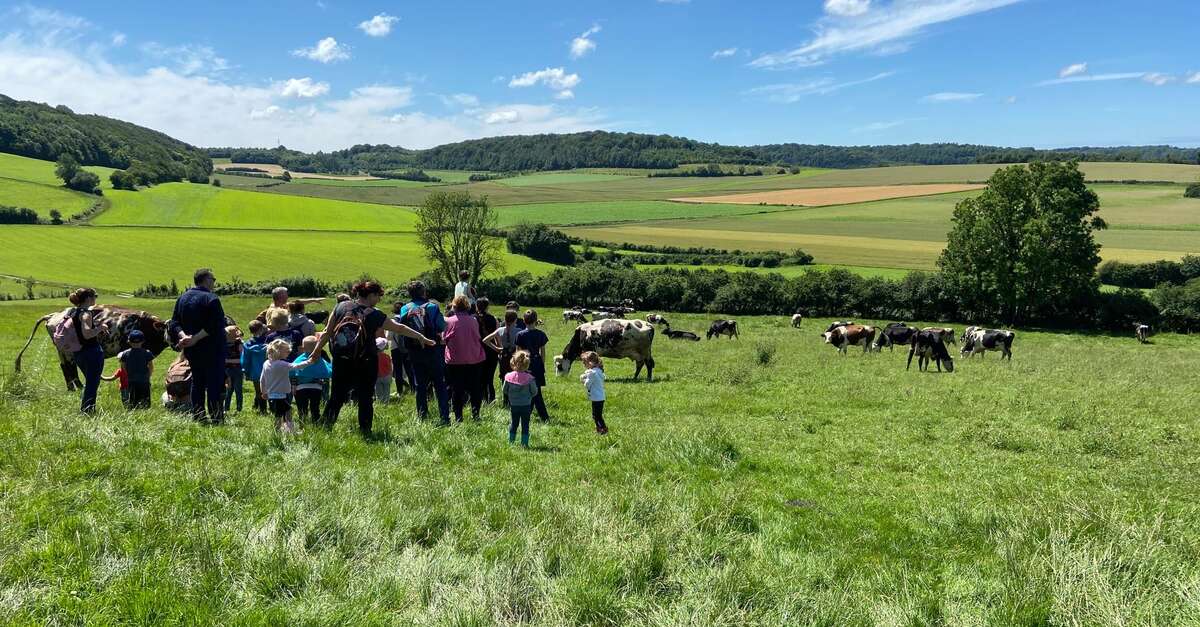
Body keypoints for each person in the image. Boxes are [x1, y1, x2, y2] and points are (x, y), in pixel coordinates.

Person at [303, 280, 434, 435]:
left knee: (337, 396)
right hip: (366, 361)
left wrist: (317, 350)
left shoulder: (341, 306)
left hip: (342, 359)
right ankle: (365, 431)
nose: (379, 300)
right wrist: (421, 337)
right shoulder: (374, 314)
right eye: (378, 296)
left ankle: (325, 428)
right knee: (365, 398)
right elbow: (399, 328)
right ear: (371, 295)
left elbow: (327, 332)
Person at [169, 269, 227, 424]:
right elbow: (216, 324)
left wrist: (183, 337)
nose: (214, 282)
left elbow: (174, 323)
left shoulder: (182, 298)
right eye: (213, 279)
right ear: (206, 280)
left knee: (197, 381)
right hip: (212, 348)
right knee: (214, 382)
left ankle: (198, 415)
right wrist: (195, 338)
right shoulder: (211, 298)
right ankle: (216, 417)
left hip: (192, 350)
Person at [398, 280, 451, 424]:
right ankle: (444, 417)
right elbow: (441, 326)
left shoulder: (405, 308)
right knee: (439, 384)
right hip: (432, 348)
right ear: (424, 292)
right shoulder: (432, 306)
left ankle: (422, 416)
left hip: (414, 351)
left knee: (420, 385)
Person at [66, 288, 109, 414]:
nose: (96, 298)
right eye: (95, 296)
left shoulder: (73, 312)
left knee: (90, 382)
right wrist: (101, 327)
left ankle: (86, 408)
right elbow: (87, 334)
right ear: (89, 298)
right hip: (91, 352)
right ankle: (87, 411)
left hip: (78, 353)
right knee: (92, 384)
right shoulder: (86, 313)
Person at [444, 295, 486, 422]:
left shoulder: (449, 321)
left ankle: (458, 417)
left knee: (457, 389)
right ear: (467, 306)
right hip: (474, 358)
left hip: (455, 360)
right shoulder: (473, 320)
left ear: (454, 306)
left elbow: (444, 338)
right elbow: (479, 337)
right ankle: (475, 414)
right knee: (475, 388)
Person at [515, 309, 551, 421]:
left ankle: (528, 414)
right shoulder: (541, 334)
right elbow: (543, 352)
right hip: (537, 363)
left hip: (525, 364)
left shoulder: (520, 334)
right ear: (536, 321)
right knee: (536, 391)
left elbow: (518, 352)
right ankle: (543, 416)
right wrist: (542, 364)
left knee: (527, 390)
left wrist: (518, 366)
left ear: (524, 321)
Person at [260, 338, 301, 433]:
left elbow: (262, 379)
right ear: (279, 352)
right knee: (281, 414)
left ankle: (286, 429)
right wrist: (309, 362)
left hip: (272, 395)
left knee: (285, 411)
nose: (288, 353)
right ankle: (280, 431)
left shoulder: (266, 363)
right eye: (286, 352)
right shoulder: (282, 364)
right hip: (279, 396)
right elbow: (296, 366)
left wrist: (263, 392)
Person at [483, 309, 521, 406]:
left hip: (503, 357)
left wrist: (496, 348)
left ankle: (505, 400)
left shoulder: (500, 330)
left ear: (505, 319)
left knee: (504, 378)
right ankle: (514, 400)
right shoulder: (518, 331)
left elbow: (485, 340)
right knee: (515, 378)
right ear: (515, 320)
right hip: (514, 357)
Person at [291, 335, 331, 423]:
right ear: (318, 347)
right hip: (316, 388)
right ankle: (316, 422)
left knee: (302, 408)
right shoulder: (319, 360)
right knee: (315, 408)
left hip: (301, 388)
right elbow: (328, 371)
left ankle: (303, 423)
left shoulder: (299, 360)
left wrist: (293, 385)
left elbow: (292, 372)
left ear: (303, 348)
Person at [502, 351, 539, 448]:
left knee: (514, 423)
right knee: (525, 425)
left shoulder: (508, 377)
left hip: (514, 405)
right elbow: (534, 392)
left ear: (513, 362)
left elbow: (504, 390)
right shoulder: (530, 378)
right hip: (526, 405)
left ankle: (511, 441)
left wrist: (511, 395)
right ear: (527, 364)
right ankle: (524, 444)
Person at [118, 330, 156, 409]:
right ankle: (145, 412)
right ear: (142, 341)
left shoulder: (125, 354)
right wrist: (148, 375)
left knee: (133, 400)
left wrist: (128, 373)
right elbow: (151, 366)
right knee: (145, 400)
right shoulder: (147, 353)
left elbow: (123, 366)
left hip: (131, 380)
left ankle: (134, 411)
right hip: (144, 380)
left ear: (129, 341)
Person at [388, 301, 416, 396]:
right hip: (407, 347)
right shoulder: (407, 319)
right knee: (409, 369)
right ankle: (413, 388)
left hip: (395, 348)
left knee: (398, 370)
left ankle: (400, 391)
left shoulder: (393, 321)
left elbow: (389, 337)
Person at [475, 297, 500, 403]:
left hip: (477, 350)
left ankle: (482, 398)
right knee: (489, 379)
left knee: (480, 378)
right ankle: (491, 399)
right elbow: (497, 335)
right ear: (487, 307)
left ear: (477, 306)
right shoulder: (493, 319)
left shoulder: (473, 318)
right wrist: (499, 347)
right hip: (491, 350)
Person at [241, 320, 269, 414]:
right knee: (269, 389)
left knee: (259, 390)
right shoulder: (268, 342)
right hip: (268, 370)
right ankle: (270, 408)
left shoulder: (247, 344)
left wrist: (245, 370)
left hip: (254, 371)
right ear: (261, 329)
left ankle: (262, 409)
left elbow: (245, 360)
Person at [580, 351, 608, 435]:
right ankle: (600, 428)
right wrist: (586, 375)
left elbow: (587, 384)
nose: (584, 365)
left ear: (590, 362)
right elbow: (600, 377)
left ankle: (602, 429)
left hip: (596, 397)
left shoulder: (592, 373)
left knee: (596, 416)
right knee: (597, 415)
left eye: (585, 363)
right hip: (600, 397)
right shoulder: (599, 371)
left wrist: (583, 380)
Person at [223, 325, 244, 413]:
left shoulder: (239, 344)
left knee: (238, 389)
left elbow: (242, 360)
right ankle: (226, 408)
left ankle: (239, 408)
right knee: (228, 390)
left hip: (237, 370)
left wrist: (228, 360)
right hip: (227, 370)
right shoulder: (223, 343)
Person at [375, 337, 393, 403]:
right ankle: (386, 402)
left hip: (377, 377)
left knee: (378, 391)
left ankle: (380, 402)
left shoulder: (374, 357)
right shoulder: (386, 356)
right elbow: (390, 367)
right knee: (387, 391)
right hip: (386, 376)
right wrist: (391, 375)